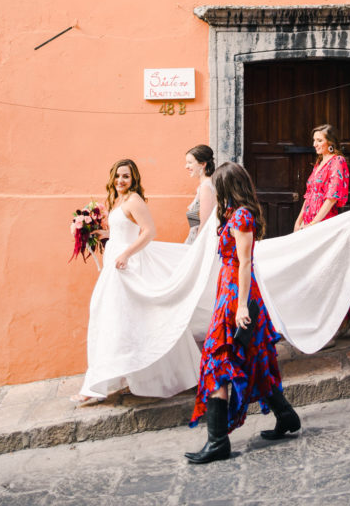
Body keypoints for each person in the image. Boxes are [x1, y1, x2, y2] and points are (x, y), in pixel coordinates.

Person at [187, 161, 301, 464]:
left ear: (227, 187)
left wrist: (239, 306)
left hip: (237, 297)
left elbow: (246, 261)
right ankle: (286, 416)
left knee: (217, 362)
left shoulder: (241, 216)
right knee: (255, 358)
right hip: (229, 292)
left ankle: (218, 442)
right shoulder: (232, 213)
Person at [76, 158, 203, 403]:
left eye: (126, 176)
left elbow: (149, 232)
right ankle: (109, 378)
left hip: (127, 266)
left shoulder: (134, 200)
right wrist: (107, 234)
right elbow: (126, 230)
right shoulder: (119, 200)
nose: (121, 180)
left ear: (133, 178)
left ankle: (98, 384)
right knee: (115, 319)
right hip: (116, 265)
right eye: (117, 176)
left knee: (130, 320)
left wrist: (126, 253)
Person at [293, 124, 350, 329]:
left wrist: (315, 223)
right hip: (309, 222)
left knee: (327, 270)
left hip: (325, 221)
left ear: (331, 143)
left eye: (319, 140)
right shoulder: (319, 163)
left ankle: (340, 319)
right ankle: (330, 317)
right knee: (314, 270)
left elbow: (332, 197)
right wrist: (299, 221)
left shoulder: (338, 161)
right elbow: (309, 195)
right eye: (314, 140)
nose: (315, 144)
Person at [184, 144, 217, 245]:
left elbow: (204, 222)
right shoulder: (206, 185)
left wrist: (197, 247)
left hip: (200, 241)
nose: (186, 167)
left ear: (203, 164)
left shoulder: (206, 187)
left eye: (190, 163)